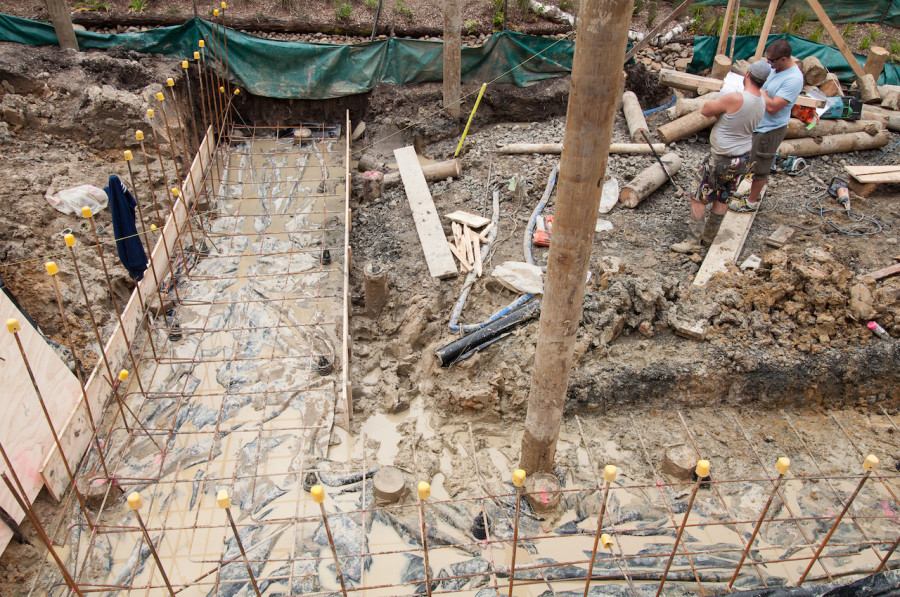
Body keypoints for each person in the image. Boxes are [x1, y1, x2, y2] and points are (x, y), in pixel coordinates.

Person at [671, 60, 771, 253]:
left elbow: (706, 110)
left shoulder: (735, 98)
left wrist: (722, 96)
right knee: (724, 195)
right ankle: (709, 236)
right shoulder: (762, 100)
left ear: (747, 74)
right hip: (742, 157)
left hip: (722, 157)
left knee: (699, 195)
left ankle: (693, 241)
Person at [728, 39, 804, 213]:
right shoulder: (777, 69)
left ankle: (751, 202)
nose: (769, 64)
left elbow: (773, 106)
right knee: (751, 162)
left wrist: (759, 90)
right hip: (758, 125)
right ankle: (748, 193)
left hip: (771, 129)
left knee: (761, 166)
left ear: (783, 59)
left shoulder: (793, 79)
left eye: (772, 61)